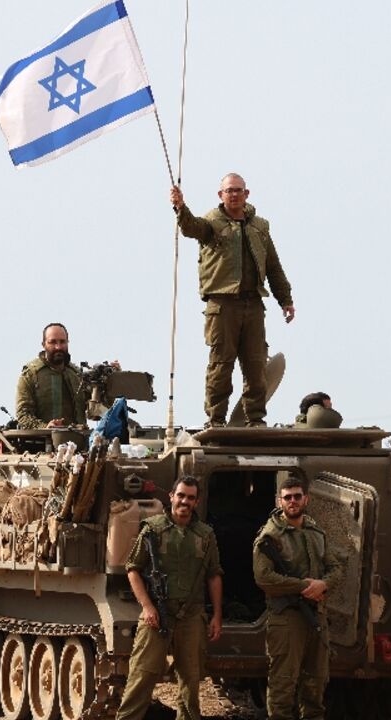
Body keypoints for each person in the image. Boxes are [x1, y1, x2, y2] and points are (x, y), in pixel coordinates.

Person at [170, 174, 295, 428]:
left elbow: (273, 266)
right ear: (221, 195)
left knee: (256, 363)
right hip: (222, 305)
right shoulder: (211, 222)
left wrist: (285, 299)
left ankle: (256, 419)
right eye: (229, 191)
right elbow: (191, 227)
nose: (234, 195)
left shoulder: (260, 227)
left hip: (253, 304)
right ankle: (216, 419)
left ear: (247, 194)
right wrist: (180, 208)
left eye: (238, 190)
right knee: (221, 364)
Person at [116, 477, 223, 720]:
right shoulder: (152, 529)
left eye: (191, 497)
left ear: (197, 502)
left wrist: (217, 615)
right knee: (141, 676)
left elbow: (214, 575)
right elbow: (132, 568)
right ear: (172, 496)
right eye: (181, 495)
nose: (185, 501)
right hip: (157, 613)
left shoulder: (205, 535)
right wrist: (147, 606)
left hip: (192, 615)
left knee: (190, 680)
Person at [252, 476, 344, 720]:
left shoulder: (315, 532)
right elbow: (264, 578)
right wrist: (304, 586)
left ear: (306, 499)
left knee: (315, 685)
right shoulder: (270, 536)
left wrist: (323, 584)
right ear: (279, 501)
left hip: (316, 616)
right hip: (287, 619)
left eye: (297, 496)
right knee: (283, 685)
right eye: (288, 497)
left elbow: (335, 567)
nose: (293, 501)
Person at [15, 323, 85, 429]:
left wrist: (112, 381)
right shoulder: (31, 375)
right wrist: (44, 427)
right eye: (52, 342)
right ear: (44, 344)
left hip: (77, 441)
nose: (58, 347)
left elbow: (97, 412)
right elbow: (23, 415)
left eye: (62, 342)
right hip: (40, 442)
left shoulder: (77, 375)